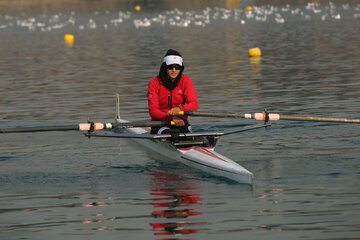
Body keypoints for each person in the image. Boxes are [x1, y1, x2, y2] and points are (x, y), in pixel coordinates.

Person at [147, 49, 198, 134]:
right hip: (160, 122)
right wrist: (171, 118)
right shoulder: (154, 83)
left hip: (180, 121)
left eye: (177, 67)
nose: (174, 70)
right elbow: (153, 111)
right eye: (170, 67)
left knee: (188, 136)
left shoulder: (186, 81)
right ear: (165, 67)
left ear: (181, 68)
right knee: (170, 134)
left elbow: (194, 105)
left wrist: (179, 109)